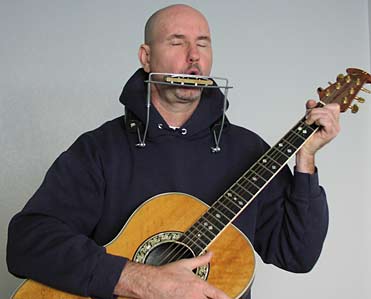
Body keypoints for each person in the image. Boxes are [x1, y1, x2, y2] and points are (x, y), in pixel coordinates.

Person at [7, 4, 340, 299]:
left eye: (203, 44)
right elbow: (27, 243)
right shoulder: (100, 149)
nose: (193, 56)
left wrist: (305, 159)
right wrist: (141, 281)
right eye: (177, 42)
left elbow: (298, 255)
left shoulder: (248, 151)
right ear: (146, 56)